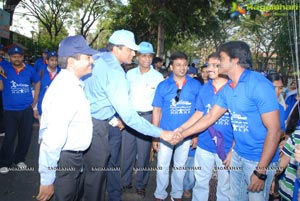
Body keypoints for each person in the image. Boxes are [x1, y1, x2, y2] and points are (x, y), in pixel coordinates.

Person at [175, 41, 281, 200]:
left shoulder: (259, 84)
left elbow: (275, 130)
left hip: (258, 159)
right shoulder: (229, 88)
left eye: (222, 58)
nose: (218, 62)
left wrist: (261, 171)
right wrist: (181, 134)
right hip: (238, 155)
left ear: (235, 60)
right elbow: (210, 117)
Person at [81, 29, 174, 201]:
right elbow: (129, 116)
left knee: (100, 167)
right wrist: (161, 133)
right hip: (101, 125)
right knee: (97, 175)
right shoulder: (116, 72)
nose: (134, 53)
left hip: (99, 120)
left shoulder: (96, 60)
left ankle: (114, 194)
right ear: (116, 48)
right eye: (130, 49)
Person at [36, 35, 98, 201]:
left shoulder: (72, 84)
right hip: (66, 160)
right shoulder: (66, 90)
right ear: (71, 61)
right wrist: (47, 180)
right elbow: (52, 138)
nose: (91, 60)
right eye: (87, 57)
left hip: (73, 159)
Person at [181, 52, 234, 201]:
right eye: (208, 65)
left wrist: (233, 150)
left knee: (225, 186)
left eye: (215, 65)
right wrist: (183, 130)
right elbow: (199, 114)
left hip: (227, 147)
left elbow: (240, 122)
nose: (209, 68)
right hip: (204, 144)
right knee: (200, 183)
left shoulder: (234, 89)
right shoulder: (205, 88)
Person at [152, 52, 202, 201]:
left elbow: (199, 112)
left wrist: (195, 135)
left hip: (186, 135)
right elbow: (157, 110)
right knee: (162, 165)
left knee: (180, 166)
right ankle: (160, 194)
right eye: (178, 65)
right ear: (171, 67)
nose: (182, 68)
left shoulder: (195, 85)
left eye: (185, 65)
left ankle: (176, 194)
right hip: (165, 133)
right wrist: (156, 134)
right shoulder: (163, 85)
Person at [121, 41, 164, 198]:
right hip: (130, 118)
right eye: (143, 55)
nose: (147, 59)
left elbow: (160, 105)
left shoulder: (158, 77)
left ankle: (141, 184)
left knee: (144, 154)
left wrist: (156, 125)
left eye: (150, 56)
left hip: (147, 118)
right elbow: (124, 97)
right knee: (127, 154)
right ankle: (125, 181)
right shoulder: (129, 75)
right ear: (137, 57)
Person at [0, 45, 40, 174]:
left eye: (19, 56)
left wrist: (35, 100)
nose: (16, 59)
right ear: (9, 57)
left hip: (26, 109)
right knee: (9, 137)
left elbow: (37, 82)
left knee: (25, 137)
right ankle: (4, 162)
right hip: (10, 110)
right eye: (13, 56)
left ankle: (19, 159)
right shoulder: (4, 68)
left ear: (23, 57)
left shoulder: (30, 69)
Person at [33, 51, 61, 124]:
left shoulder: (61, 73)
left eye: (56, 60)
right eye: (52, 60)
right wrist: (35, 108)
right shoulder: (41, 73)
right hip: (42, 109)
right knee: (43, 133)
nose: (54, 62)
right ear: (47, 61)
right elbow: (36, 91)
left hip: (57, 109)